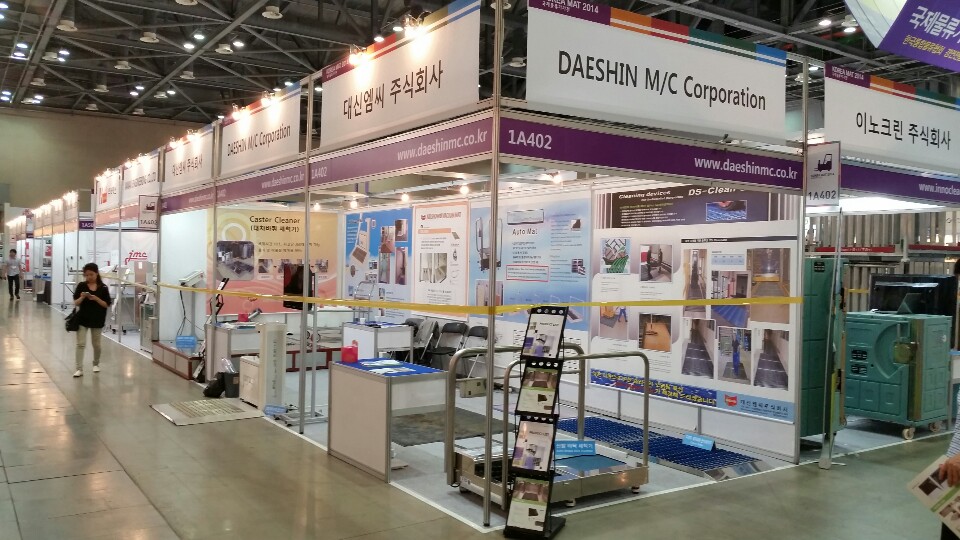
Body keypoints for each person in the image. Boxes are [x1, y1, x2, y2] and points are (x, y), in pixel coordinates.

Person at [72, 263, 112, 378]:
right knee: (80, 344)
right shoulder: (81, 286)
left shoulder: (103, 288)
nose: (89, 277)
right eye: (86, 275)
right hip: (82, 319)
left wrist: (96, 298)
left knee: (96, 344)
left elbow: (106, 304)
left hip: (97, 319)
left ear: (96, 273)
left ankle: (96, 363)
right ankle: (79, 368)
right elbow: (76, 303)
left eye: (91, 274)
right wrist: (82, 297)